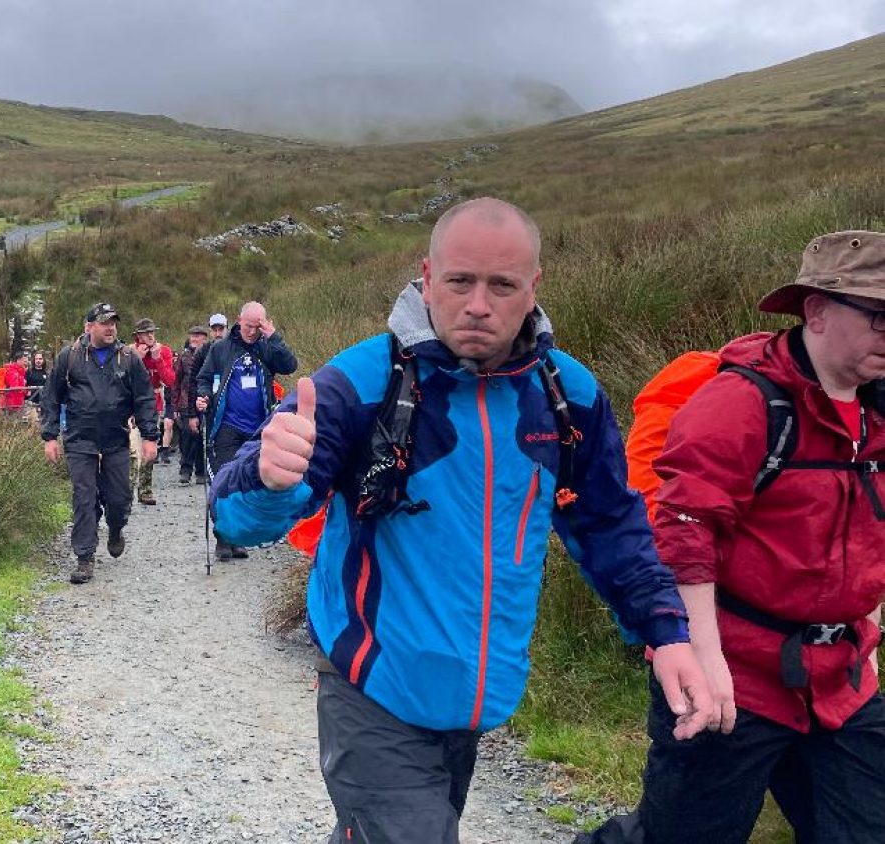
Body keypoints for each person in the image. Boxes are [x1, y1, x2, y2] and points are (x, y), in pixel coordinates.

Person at [208, 197, 713, 843]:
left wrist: (667, 634)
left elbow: (612, 527)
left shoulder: (567, 396)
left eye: (502, 285)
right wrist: (266, 479)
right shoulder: (363, 382)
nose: (479, 303)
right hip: (373, 683)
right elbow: (235, 520)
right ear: (427, 278)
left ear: (533, 289)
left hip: (480, 694)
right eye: (460, 281)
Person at [582, 231, 885, 844]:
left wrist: (868, 636)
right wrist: (707, 661)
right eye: (879, 317)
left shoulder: (878, 410)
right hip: (734, 671)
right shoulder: (742, 403)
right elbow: (685, 531)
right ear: (818, 310)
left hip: (840, 681)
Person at [41, 303, 160, 584]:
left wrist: (150, 437)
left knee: (119, 498)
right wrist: (49, 436)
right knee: (84, 497)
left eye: (114, 323)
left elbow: (144, 399)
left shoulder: (128, 358)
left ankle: (116, 528)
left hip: (116, 439)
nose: (110, 328)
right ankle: (85, 558)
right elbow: (51, 397)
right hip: (80, 440)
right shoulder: (69, 357)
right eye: (104, 322)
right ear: (89, 326)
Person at [195, 301, 298, 559]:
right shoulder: (220, 349)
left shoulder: (266, 348)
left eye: (257, 327)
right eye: (248, 326)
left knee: (245, 484)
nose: (252, 332)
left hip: (257, 430)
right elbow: (204, 378)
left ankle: (237, 537)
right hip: (227, 427)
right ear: (238, 321)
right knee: (223, 481)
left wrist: (274, 336)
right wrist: (203, 397)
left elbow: (290, 365)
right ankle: (222, 539)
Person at [132, 317, 176, 506]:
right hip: (132, 404)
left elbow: (171, 380)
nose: (150, 336)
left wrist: (158, 361)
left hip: (153, 402)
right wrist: (137, 360)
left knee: (149, 448)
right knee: (132, 449)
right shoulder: (130, 352)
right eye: (146, 333)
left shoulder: (164, 351)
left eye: (152, 332)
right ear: (138, 336)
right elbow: (123, 378)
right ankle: (127, 490)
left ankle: (145, 489)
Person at [173, 324, 211, 485]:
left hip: (205, 399)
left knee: (203, 437)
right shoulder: (184, 356)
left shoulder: (211, 354)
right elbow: (176, 381)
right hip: (186, 401)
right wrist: (174, 405)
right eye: (192, 336)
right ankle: (186, 470)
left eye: (198, 336)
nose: (194, 339)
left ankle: (202, 471)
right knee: (188, 436)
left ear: (205, 338)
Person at [2, 351, 29, 416]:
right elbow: (15, 387)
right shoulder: (12, 371)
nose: (26, 363)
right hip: (12, 403)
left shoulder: (20, 371)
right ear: (18, 360)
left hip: (18, 402)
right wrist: (25, 387)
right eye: (24, 361)